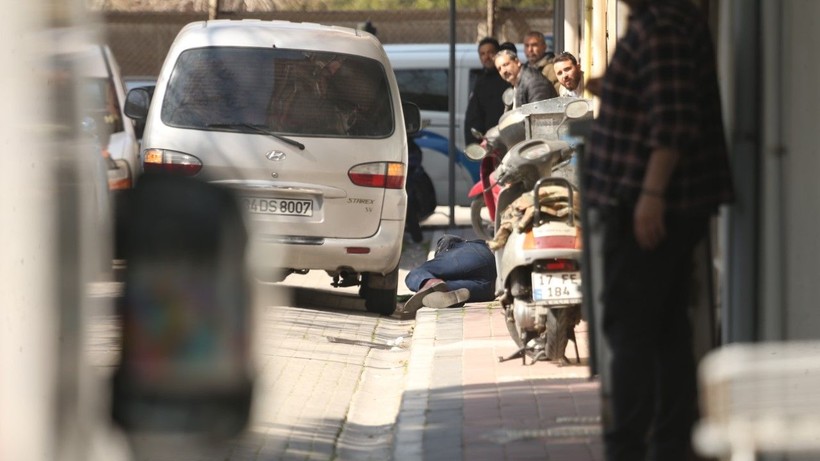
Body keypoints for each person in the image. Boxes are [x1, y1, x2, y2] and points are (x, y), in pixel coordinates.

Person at [582, 1, 734, 460]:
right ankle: (670, 442)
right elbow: (660, 100)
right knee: (665, 327)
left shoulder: (664, 24)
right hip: (653, 202)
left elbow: (673, 122)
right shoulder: (662, 22)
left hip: (649, 206)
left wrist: (651, 196)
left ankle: (630, 445)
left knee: (630, 327)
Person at [402, 234, 496, 314]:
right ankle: (443, 292)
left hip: (474, 256)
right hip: (489, 284)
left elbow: (446, 240)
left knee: (415, 274)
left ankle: (430, 283)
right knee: (446, 287)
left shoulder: (457, 247)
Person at [464, 37, 511, 144]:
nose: (486, 57)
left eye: (490, 53)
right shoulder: (481, 81)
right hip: (486, 144)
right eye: (483, 54)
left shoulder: (508, 78)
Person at [522, 31, 562, 95]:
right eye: (527, 46)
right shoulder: (523, 69)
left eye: (534, 45)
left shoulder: (551, 68)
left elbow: (557, 94)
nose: (530, 49)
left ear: (544, 47)